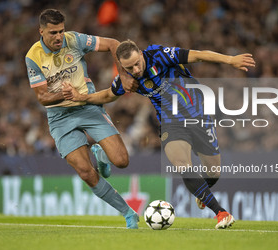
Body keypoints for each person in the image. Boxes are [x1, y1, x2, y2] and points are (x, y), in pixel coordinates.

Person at [62, 40, 255, 229]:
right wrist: (81, 98)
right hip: (171, 124)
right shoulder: (128, 80)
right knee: (182, 165)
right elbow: (106, 96)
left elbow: (198, 55)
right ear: (122, 66)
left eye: (137, 63)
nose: (136, 70)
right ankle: (221, 213)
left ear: (141, 53)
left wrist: (230, 60)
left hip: (199, 117)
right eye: (129, 67)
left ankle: (202, 191)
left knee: (213, 174)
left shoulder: (159, 56)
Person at [25, 9, 139, 229]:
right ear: (41, 32)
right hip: (59, 117)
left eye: (61, 31)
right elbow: (42, 97)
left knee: (122, 161)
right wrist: (63, 95)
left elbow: (114, 43)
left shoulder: (74, 40)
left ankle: (102, 155)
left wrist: (123, 75)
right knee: (86, 172)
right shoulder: (33, 57)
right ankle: (128, 213)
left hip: (88, 106)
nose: (59, 37)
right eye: (53, 33)